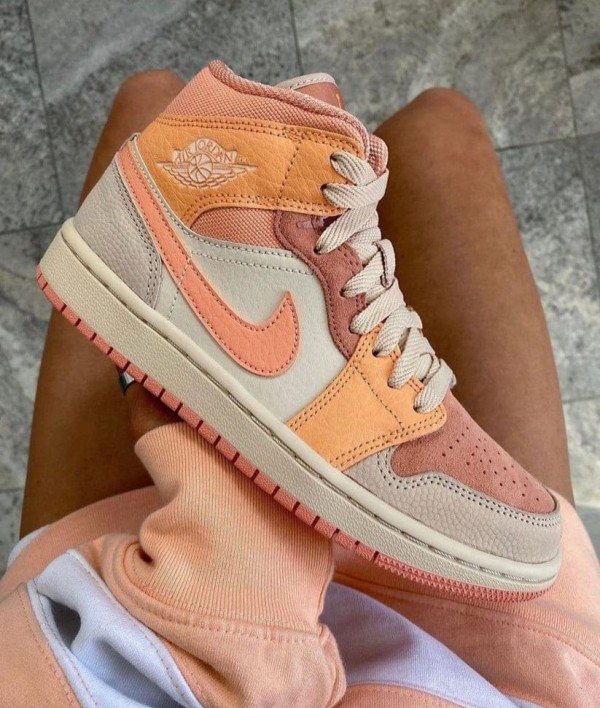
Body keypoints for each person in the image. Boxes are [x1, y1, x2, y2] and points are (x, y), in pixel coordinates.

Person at [0, 68, 598, 706]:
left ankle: (179, 238)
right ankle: (220, 221)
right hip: (503, 658)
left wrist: (242, 588)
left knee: (151, 96)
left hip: (149, 622)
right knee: (441, 119)